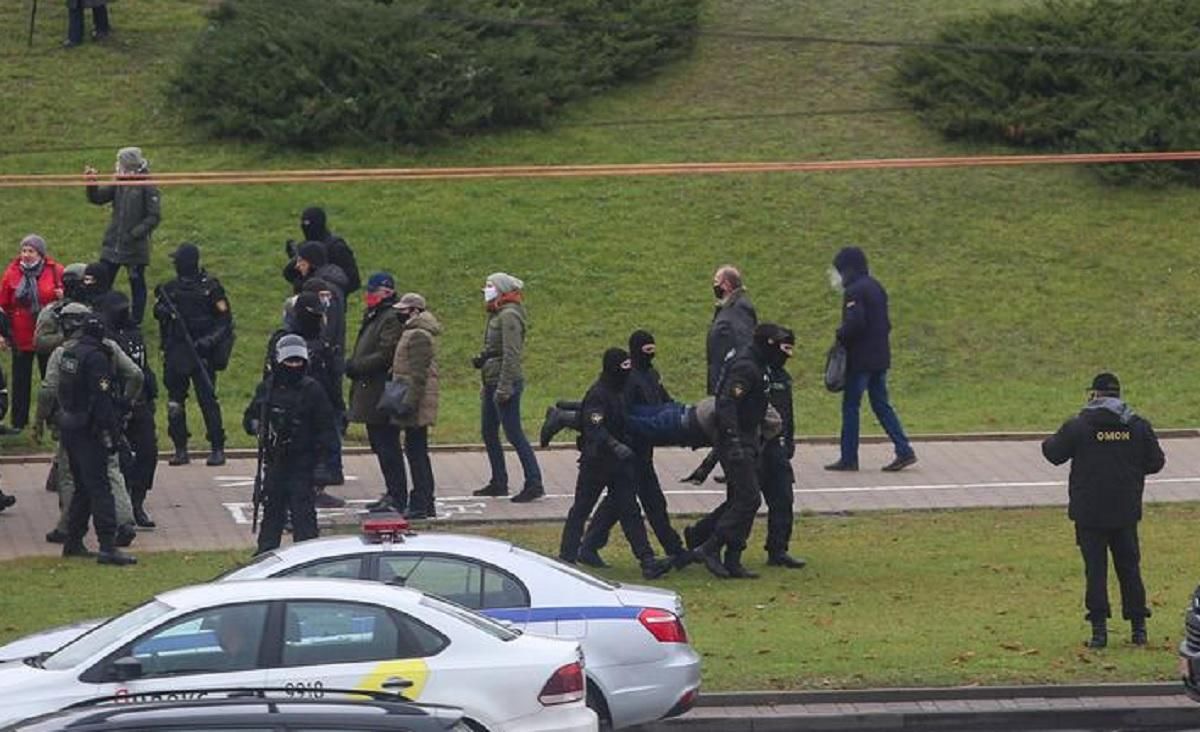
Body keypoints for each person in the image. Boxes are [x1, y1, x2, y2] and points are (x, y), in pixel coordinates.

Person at [1042, 372, 1165, 648]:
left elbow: (1052, 453)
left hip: (1090, 513)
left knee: (1095, 571)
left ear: (1095, 394)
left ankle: (1099, 632)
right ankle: (1138, 629)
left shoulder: (1080, 425)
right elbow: (1156, 462)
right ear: (1118, 395)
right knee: (1130, 568)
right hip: (1125, 511)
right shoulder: (1137, 425)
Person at [686, 327, 807, 570]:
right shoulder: (747, 366)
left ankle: (770, 549)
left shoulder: (773, 373)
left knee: (776, 496)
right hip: (749, 442)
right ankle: (708, 542)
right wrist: (732, 442)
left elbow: (783, 412)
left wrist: (787, 440)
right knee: (745, 500)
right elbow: (728, 405)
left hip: (768, 442)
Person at [578, 330, 688, 569]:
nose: (651, 354)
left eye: (653, 349)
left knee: (622, 502)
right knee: (641, 501)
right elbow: (623, 415)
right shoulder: (627, 380)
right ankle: (670, 551)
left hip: (641, 448)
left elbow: (663, 402)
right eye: (647, 351)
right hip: (630, 450)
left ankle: (589, 545)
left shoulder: (651, 375)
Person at [558, 348, 672, 580]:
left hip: (619, 465)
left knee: (630, 510)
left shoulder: (619, 392)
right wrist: (615, 446)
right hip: (596, 464)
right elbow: (594, 428)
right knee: (581, 509)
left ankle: (647, 560)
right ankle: (566, 557)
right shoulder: (598, 394)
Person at [38, 302, 141, 547]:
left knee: (73, 478)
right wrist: (125, 404)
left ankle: (69, 531)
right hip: (96, 424)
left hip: (72, 424)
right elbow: (135, 375)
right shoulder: (106, 350)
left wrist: (39, 419)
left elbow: (49, 390)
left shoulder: (65, 353)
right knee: (108, 475)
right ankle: (122, 524)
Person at [825, 246, 916, 473]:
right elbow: (885, 323)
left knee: (851, 407)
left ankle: (849, 457)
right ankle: (904, 449)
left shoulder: (854, 292)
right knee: (881, 404)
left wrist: (840, 335)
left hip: (860, 360)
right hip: (880, 357)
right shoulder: (876, 287)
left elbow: (855, 324)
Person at [245, 334, 338, 555]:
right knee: (272, 517)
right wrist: (258, 425)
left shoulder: (312, 390)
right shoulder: (267, 388)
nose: (294, 366)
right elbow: (250, 416)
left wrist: (323, 470)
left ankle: (308, 559)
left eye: (298, 361)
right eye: (289, 361)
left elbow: (327, 431)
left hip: (302, 465)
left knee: (303, 518)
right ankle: (265, 558)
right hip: (275, 464)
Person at [153, 243, 233, 467]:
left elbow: (224, 321)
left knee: (208, 400)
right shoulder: (171, 289)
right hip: (177, 352)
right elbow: (158, 311)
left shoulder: (210, 288)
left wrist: (208, 341)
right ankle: (180, 447)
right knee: (175, 402)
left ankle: (217, 447)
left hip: (201, 352)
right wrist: (164, 312)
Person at [264, 292, 345, 508]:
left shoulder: (320, 342)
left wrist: (337, 404)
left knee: (315, 452)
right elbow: (271, 378)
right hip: (289, 405)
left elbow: (331, 377)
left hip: (316, 404)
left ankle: (314, 490)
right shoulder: (286, 341)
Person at [684, 265, 758, 485]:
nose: (713, 284)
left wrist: (734, 377)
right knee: (727, 426)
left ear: (725, 284)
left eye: (716, 280)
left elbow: (741, 344)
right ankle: (721, 467)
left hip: (731, 380)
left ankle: (733, 467)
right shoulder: (731, 307)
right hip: (724, 378)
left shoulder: (739, 309)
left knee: (730, 425)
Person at [473, 273, 543, 502]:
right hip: (492, 379)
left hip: (505, 382)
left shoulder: (509, 315)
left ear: (501, 289)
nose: (486, 289)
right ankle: (499, 481)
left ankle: (534, 482)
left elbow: (511, 354)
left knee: (514, 433)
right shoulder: (498, 313)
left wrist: (504, 387)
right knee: (489, 432)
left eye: (490, 285)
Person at [96, 291, 158, 528]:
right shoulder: (105, 339)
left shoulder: (135, 334)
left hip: (140, 404)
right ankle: (118, 508)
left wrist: (150, 394)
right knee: (118, 459)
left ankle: (138, 502)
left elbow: (143, 368)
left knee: (148, 453)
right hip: (115, 405)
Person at [346, 274, 407, 512]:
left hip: (381, 392)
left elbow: (385, 354)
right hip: (370, 390)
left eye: (374, 291)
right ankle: (392, 492)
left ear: (387, 291)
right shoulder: (376, 315)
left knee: (387, 446)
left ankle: (397, 496)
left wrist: (356, 365)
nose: (369, 295)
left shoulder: (390, 317)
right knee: (380, 445)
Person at [382, 293, 442, 520]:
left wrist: (408, 404)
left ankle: (421, 502)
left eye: (404, 309)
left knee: (417, 455)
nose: (400, 312)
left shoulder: (418, 335)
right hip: (413, 399)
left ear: (415, 311)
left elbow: (418, 376)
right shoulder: (413, 332)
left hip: (415, 403)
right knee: (416, 453)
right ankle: (424, 501)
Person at [85, 147, 160, 324]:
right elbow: (98, 198)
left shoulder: (147, 186)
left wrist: (135, 234)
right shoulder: (118, 181)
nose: (117, 166)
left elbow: (154, 216)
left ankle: (135, 320)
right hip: (113, 244)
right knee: (103, 279)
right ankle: (100, 314)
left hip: (134, 247)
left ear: (129, 165)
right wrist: (91, 183)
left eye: (120, 162)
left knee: (136, 283)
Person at [0, 235, 64, 430]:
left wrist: (62, 295)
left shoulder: (55, 271)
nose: (26, 255)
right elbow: (2, 305)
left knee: (51, 378)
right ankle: (19, 421)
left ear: (40, 254)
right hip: (20, 335)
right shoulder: (12, 272)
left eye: (31, 251)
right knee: (20, 381)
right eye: (24, 251)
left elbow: (69, 296)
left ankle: (54, 419)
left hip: (47, 335)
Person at [284, 207, 361, 295]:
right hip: (303, 302)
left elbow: (353, 280)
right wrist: (295, 257)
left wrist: (332, 293)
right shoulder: (304, 247)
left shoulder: (337, 248)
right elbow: (291, 275)